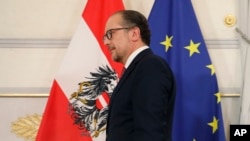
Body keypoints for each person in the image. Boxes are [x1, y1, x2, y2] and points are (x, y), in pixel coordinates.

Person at [103, 10, 176, 141]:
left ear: (134, 34)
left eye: (110, 34)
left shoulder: (150, 67)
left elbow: (150, 132)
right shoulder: (137, 68)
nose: (106, 42)